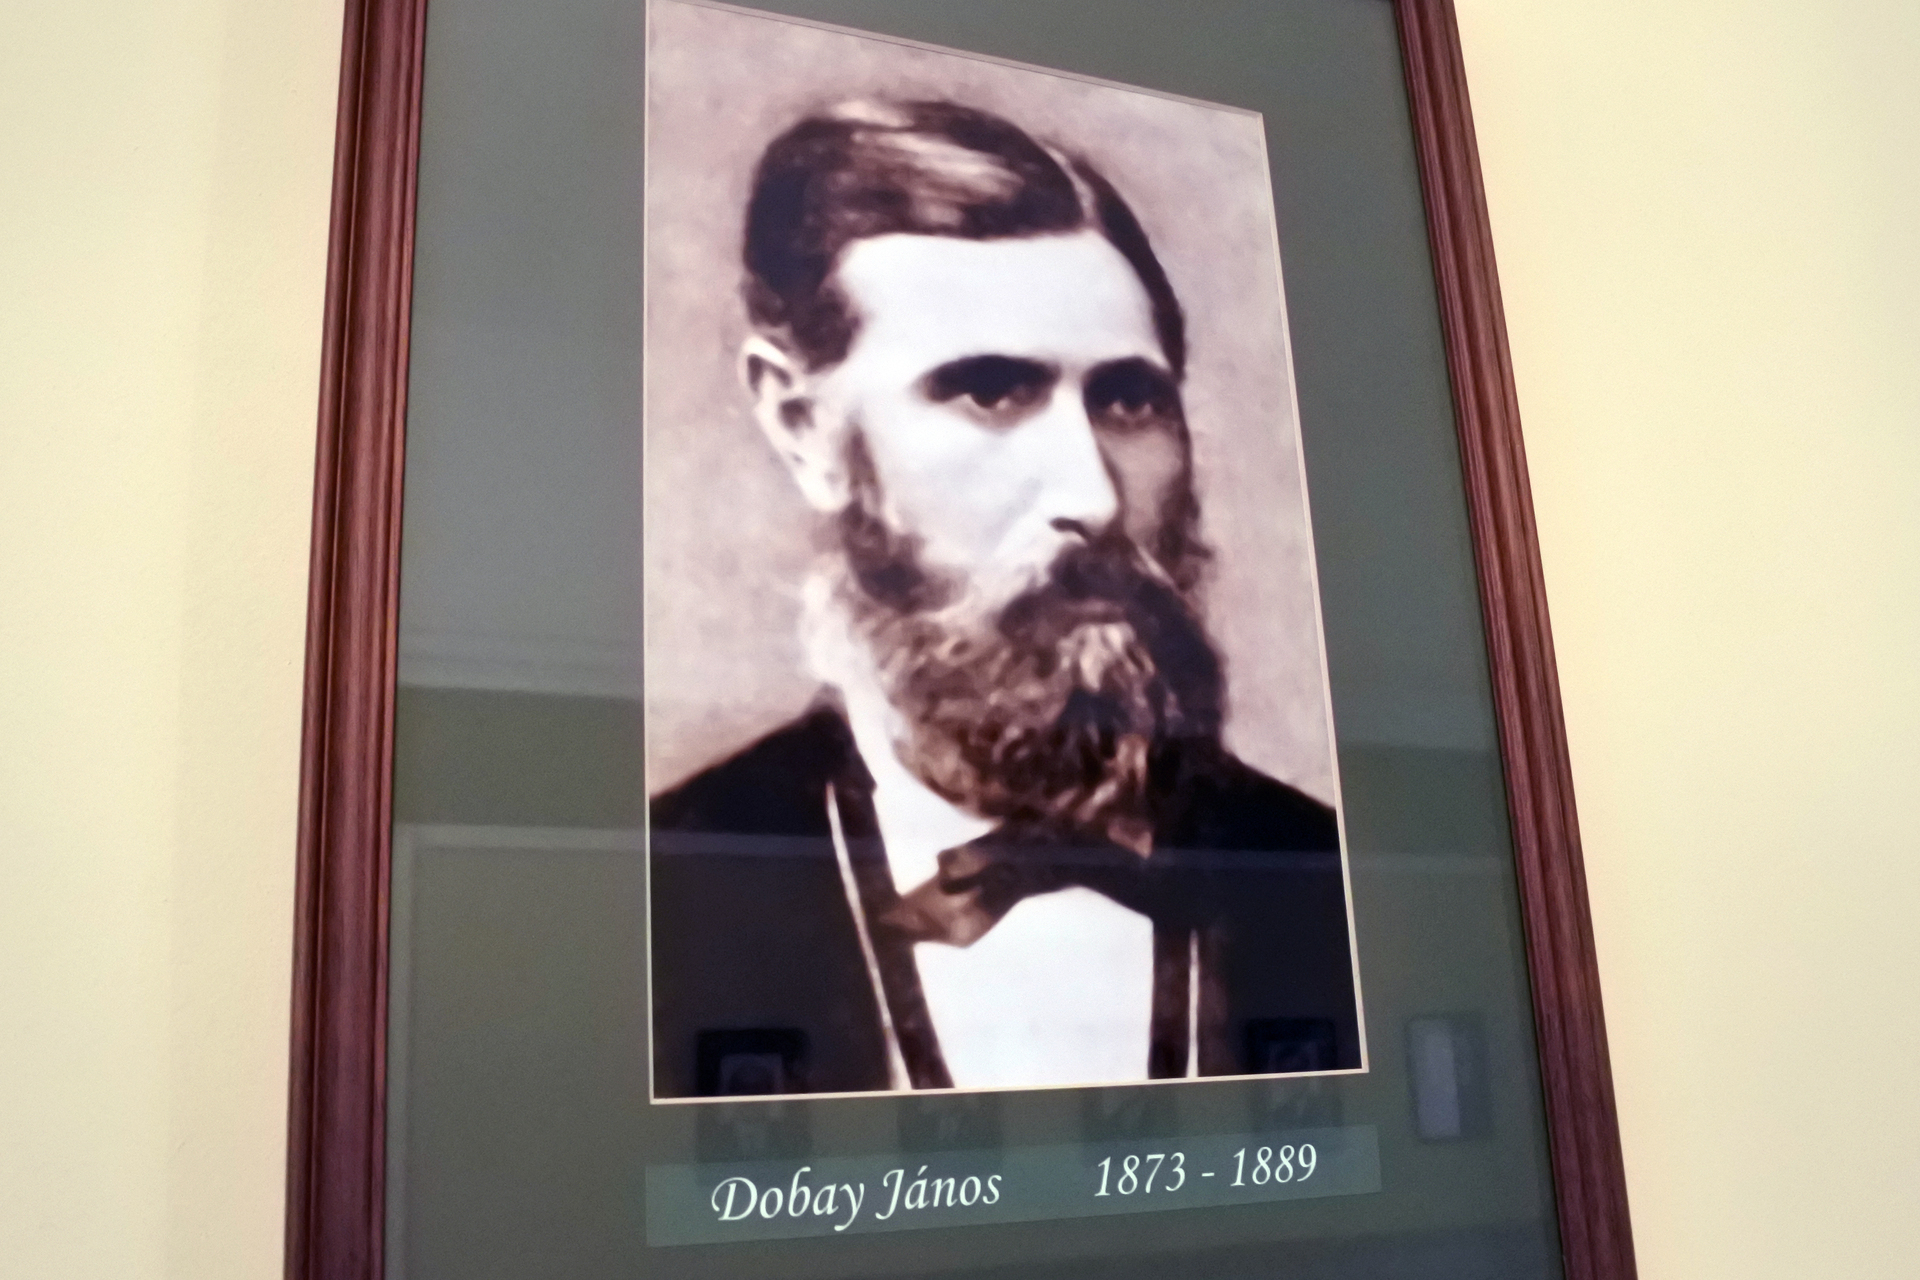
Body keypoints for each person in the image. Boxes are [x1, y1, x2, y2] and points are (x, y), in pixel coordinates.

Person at [650, 100, 1359, 1099]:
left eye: (1129, 400)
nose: (1093, 496)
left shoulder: (1326, 877)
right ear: (803, 426)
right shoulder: (665, 884)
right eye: (989, 391)